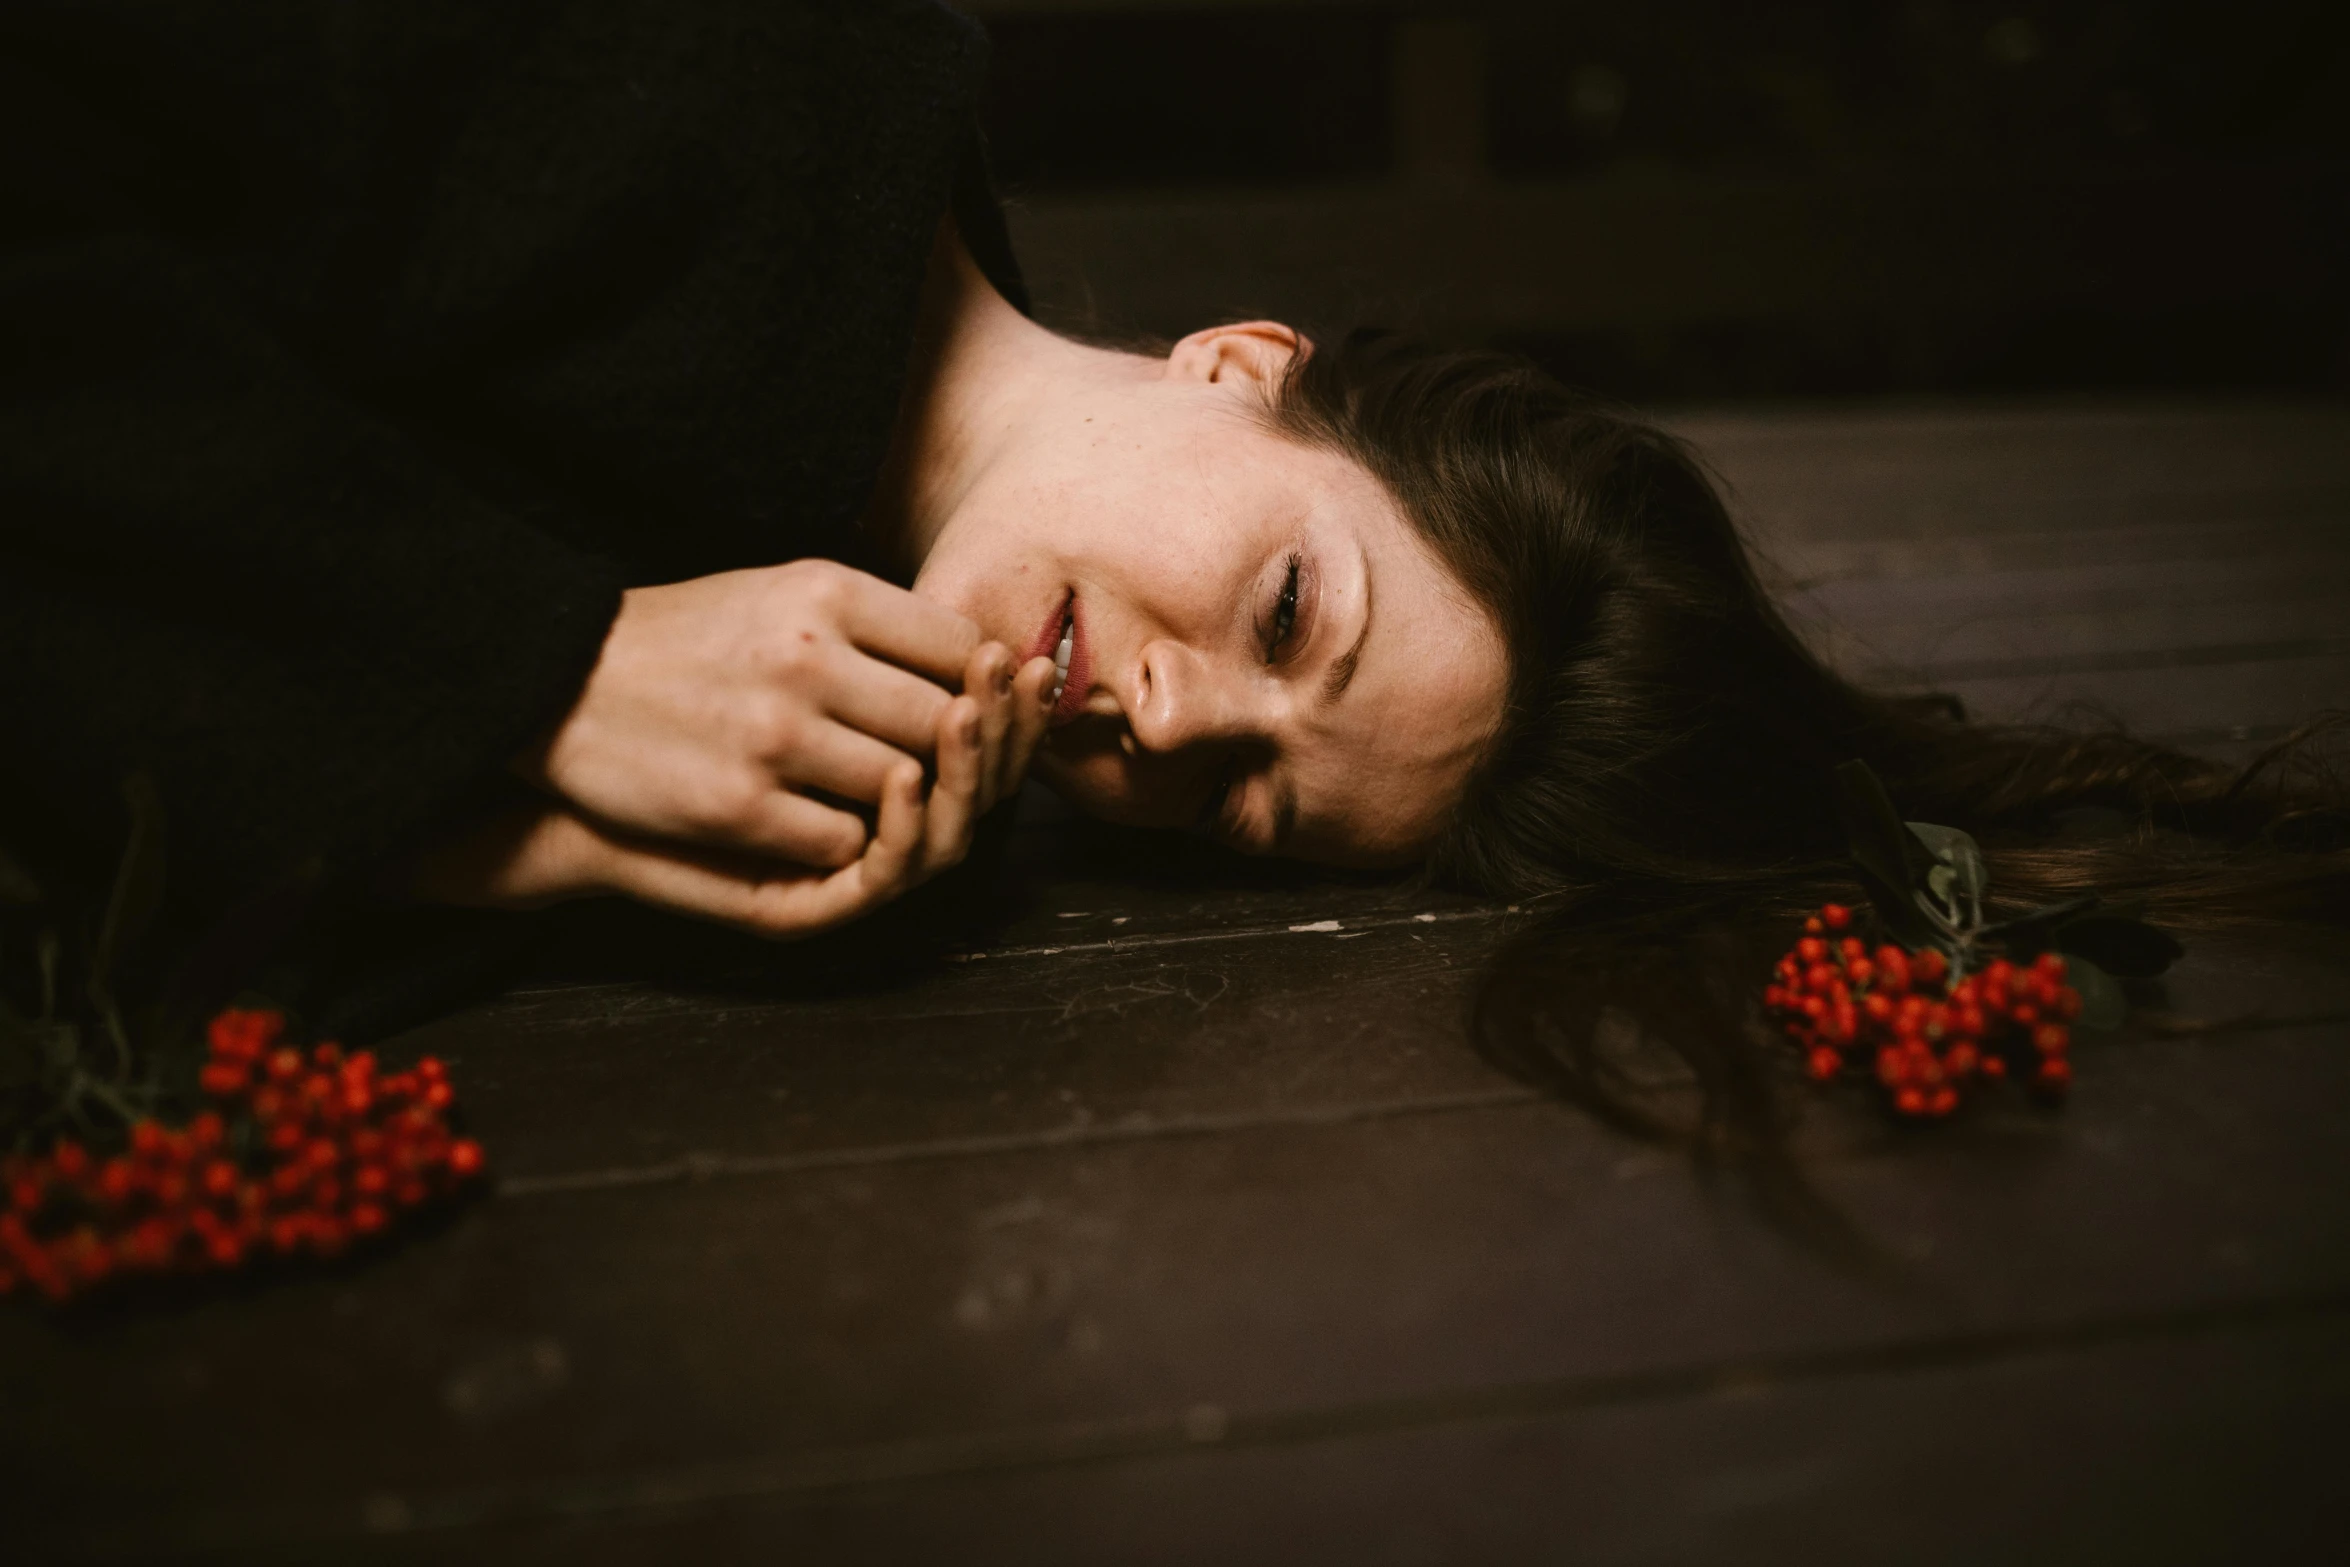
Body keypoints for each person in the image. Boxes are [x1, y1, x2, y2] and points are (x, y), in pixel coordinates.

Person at [3, 0, 2340, 1046]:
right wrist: (518, 683)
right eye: (1286, 611)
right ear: (1243, 364)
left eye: (1240, 804)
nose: (1157, 714)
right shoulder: (728, 71)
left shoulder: (822, 748)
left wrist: (509, 836)